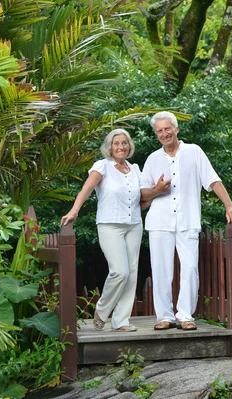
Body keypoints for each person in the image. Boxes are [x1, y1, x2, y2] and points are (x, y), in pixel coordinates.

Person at [140, 111, 232, 331]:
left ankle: (185, 315)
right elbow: (142, 198)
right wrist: (157, 190)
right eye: (160, 131)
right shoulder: (152, 159)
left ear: (176, 129)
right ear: (156, 134)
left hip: (188, 219)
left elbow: (213, 180)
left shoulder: (194, 152)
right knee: (161, 270)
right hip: (159, 222)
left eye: (168, 129)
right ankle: (165, 316)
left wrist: (229, 205)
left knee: (190, 268)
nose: (165, 133)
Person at [61, 129, 143, 332]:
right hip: (109, 224)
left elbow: (141, 199)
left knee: (131, 273)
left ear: (129, 146)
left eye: (124, 143)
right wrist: (74, 211)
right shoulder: (102, 166)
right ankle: (102, 309)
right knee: (119, 271)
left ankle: (121, 320)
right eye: (116, 143)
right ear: (110, 146)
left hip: (134, 224)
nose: (121, 147)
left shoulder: (135, 170)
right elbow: (86, 189)